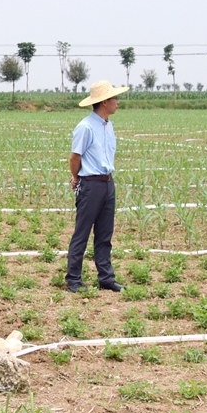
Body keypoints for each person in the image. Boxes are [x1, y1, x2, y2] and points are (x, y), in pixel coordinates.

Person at [65, 80, 129, 294]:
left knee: (104, 234)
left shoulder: (108, 125)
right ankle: (74, 279)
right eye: (114, 98)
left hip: (107, 183)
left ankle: (106, 278)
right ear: (104, 102)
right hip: (91, 184)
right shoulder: (85, 127)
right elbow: (75, 157)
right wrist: (76, 178)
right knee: (81, 233)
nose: (118, 102)